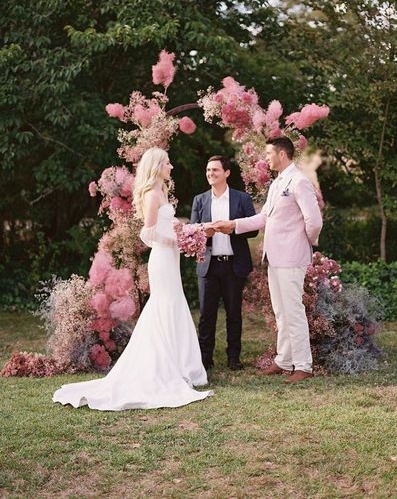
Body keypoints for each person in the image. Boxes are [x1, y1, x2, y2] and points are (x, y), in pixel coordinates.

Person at [53, 147, 212, 410]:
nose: (171, 167)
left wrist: (181, 231)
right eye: (167, 163)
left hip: (169, 256)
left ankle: (183, 366)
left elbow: (162, 225)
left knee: (172, 304)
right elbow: (147, 234)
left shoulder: (161, 192)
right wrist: (174, 240)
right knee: (165, 304)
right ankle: (165, 367)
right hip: (161, 258)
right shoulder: (151, 194)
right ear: (157, 166)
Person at [213, 138, 322, 383]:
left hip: (292, 257)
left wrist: (305, 242)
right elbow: (263, 218)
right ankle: (284, 360)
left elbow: (314, 222)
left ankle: (303, 365)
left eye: (269, 153)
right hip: (274, 258)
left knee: (293, 311)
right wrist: (233, 225)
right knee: (281, 312)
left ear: (282, 154)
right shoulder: (277, 184)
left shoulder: (299, 181)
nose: (266, 158)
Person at [191, 156, 258, 371]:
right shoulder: (199, 200)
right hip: (208, 266)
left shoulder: (242, 198)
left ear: (227, 173)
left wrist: (233, 227)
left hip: (233, 265)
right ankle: (205, 359)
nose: (211, 174)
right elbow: (191, 232)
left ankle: (233, 357)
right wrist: (205, 230)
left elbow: (254, 229)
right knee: (206, 314)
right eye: (208, 170)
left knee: (234, 313)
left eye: (215, 170)